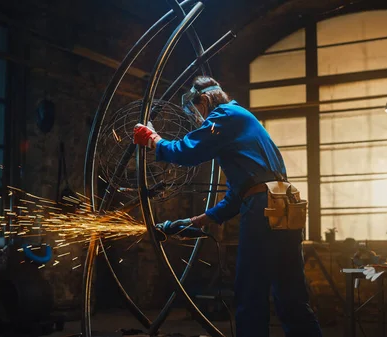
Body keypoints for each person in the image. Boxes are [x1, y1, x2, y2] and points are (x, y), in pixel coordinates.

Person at [133, 76, 322, 337]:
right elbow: (238, 194)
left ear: (206, 100)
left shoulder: (224, 115)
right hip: (284, 205)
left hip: (262, 208)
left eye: (196, 110)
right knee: (291, 296)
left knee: (251, 294)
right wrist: (202, 219)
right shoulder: (243, 121)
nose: (198, 119)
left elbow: (188, 151)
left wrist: (154, 140)